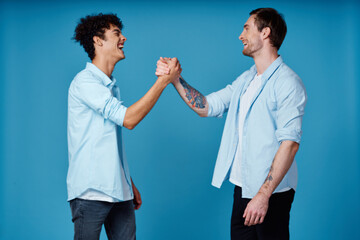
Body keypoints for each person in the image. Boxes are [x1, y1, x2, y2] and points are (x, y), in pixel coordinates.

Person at [156, 8, 307, 240]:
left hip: (271, 194)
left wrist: (263, 196)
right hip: (242, 188)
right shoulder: (247, 79)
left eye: (246, 28)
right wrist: (175, 79)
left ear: (265, 32)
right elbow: (207, 106)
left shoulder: (287, 82)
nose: (240, 35)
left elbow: (289, 144)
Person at [67, 13, 181, 240]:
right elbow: (128, 119)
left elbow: (106, 142)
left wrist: (127, 182)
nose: (124, 38)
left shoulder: (109, 86)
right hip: (91, 193)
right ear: (98, 41)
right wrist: (163, 81)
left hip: (120, 193)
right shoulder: (86, 82)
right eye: (117, 33)